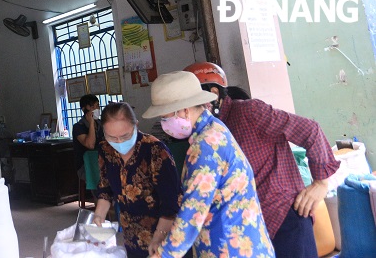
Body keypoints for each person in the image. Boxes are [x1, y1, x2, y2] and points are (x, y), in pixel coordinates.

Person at [184, 62, 340, 258]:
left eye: (191, 103)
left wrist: (321, 183)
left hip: (285, 218)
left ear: (214, 94)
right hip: (250, 233)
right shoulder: (205, 135)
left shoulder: (248, 112)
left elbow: (310, 130)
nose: (186, 112)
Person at [144, 71, 275, 258]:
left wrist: (164, 255)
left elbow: (193, 210)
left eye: (165, 116)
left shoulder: (206, 146)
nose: (164, 123)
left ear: (184, 110)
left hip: (232, 249)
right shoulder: (214, 129)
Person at [92, 102, 181, 258]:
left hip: (163, 232)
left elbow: (171, 202)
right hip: (131, 234)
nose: (119, 142)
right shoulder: (105, 150)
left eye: (125, 136)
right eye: (112, 137)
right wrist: (98, 217)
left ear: (136, 126)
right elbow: (105, 189)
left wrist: (159, 236)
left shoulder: (155, 150)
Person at [72, 94, 104, 180]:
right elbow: (90, 145)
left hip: (101, 161)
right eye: (92, 107)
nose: (96, 109)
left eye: (97, 106)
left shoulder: (101, 124)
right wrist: (91, 124)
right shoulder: (78, 127)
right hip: (86, 166)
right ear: (84, 109)